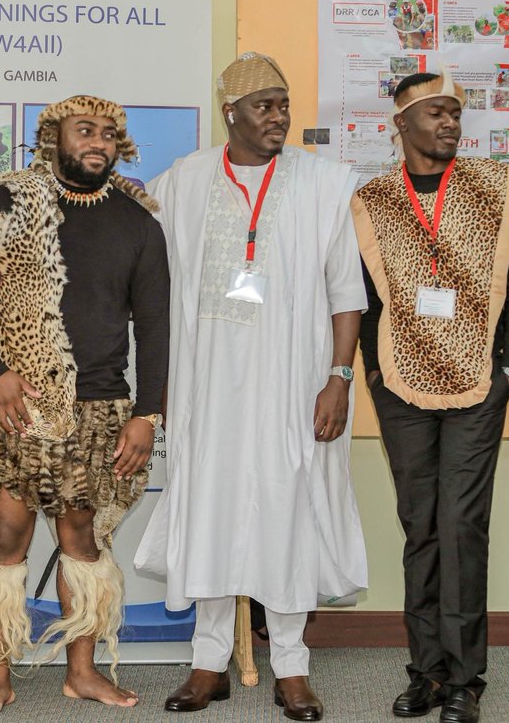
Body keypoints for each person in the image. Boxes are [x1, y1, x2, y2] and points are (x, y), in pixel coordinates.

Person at [134, 52, 368, 722]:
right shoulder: (185, 181)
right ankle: (208, 661)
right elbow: (137, 232)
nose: (279, 116)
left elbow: (346, 293)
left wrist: (340, 377)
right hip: (208, 386)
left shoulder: (322, 184)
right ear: (229, 112)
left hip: (296, 384)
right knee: (210, 506)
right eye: (264, 105)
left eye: (284, 104)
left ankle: (292, 666)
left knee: (288, 510)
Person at [0, 95, 169, 717]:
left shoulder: (137, 223)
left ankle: (82, 672)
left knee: (82, 539)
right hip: (15, 402)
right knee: (6, 535)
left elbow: (155, 327)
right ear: (53, 137)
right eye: (83, 130)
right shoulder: (8, 202)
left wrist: (146, 415)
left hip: (97, 410)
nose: (96, 142)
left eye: (107, 133)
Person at [351, 72, 509, 723]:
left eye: (455, 113)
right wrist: (374, 373)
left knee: (461, 528)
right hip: (401, 388)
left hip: (477, 387)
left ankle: (465, 682)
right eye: (436, 114)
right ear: (402, 124)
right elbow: (366, 302)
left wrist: (507, 374)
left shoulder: (491, 192)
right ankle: (425, 673)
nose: (451, 123)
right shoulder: (374, 201)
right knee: (420, 528)